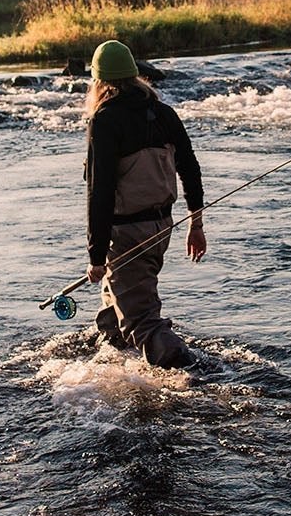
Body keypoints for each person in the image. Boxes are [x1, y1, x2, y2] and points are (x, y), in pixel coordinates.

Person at [84, 39, 207, 367]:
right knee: (115, 307)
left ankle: (194, 370)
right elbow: (190, 169)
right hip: (161, 227)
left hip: (126, 235)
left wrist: (96, 256)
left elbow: (100, 192)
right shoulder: (165, 114)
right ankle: (112, 364)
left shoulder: (105, 120)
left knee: (141, 321)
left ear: (99, 82)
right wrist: (196, 224)